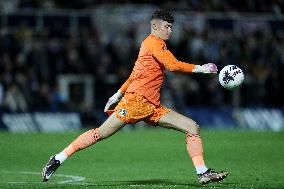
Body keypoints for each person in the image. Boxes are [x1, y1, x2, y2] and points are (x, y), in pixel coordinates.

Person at [42, 9, 228, 185]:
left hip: (152, 106)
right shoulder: (152, 43)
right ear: (155, 26)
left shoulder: (155, 46)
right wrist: (201, 68)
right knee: (101, 133)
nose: (170, 30)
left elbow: (134, 75)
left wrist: (117, 93)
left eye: (171, 27)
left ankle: (202, 172)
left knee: (192, 127)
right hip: (136, 102)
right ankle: (58, 158)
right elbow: (172, 65)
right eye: (167, 26)